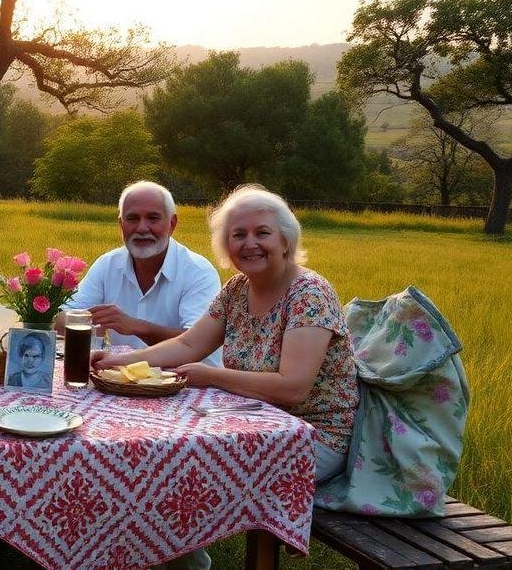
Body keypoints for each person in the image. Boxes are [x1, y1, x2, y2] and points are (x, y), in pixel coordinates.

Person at [94, 184, 359, 482]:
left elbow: (293, 387)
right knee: (167, 455)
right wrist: (122, 363)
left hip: (311, 436)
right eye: (238, 235)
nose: (250, 244)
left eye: (262, 233)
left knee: (192, 472)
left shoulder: (309, 294)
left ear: (286, 240)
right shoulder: (236, 289)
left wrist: (211, 376)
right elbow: (188, 343)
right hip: (258, 422)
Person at [60, 181, 222, 365]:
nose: (142, 228)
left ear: (172, 224)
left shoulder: (198, 272)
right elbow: (61, 318)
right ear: (121, 224)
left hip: (190, 387)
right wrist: (84, 322)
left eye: (153, 218)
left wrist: (134, 326)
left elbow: (199, 343)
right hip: (123, 381)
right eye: (132, 218)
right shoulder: (107, 265)